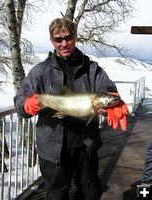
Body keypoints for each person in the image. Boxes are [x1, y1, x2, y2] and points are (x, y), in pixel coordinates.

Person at [14, 17, 128, 200]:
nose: (64, 43)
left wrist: (112, 100)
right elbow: (20, 100)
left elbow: (107, 89)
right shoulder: (40, 71)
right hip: (52, 150)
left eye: (68, 37)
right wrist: (26, 105)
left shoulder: (92, 70)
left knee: (90, 193)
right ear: (52, 41)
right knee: (57, 195)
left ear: (75, 37)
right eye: (58, 39)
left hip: (86, 146)